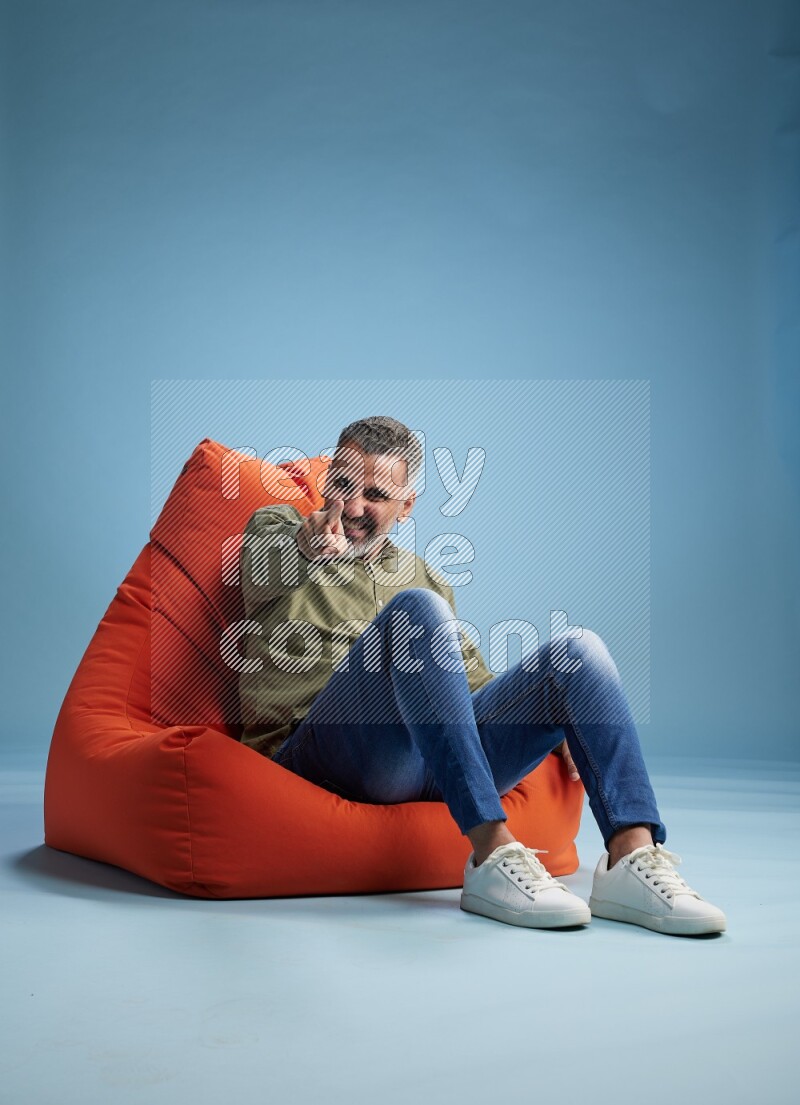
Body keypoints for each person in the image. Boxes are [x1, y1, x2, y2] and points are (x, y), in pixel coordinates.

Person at [237, 415, 726, 936]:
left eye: (376, 495)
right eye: (342, 484)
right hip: (322, 752)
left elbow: (469, 689)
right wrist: (306, 548)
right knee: (416, 610)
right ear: (327, 477)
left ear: (407, 507)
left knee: (579, 652)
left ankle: (631, 856)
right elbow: (264, 569)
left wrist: (560, 713)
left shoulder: (423, 577)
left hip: (427, 766)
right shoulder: (279, 528)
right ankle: (492, 855)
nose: (353, 507)